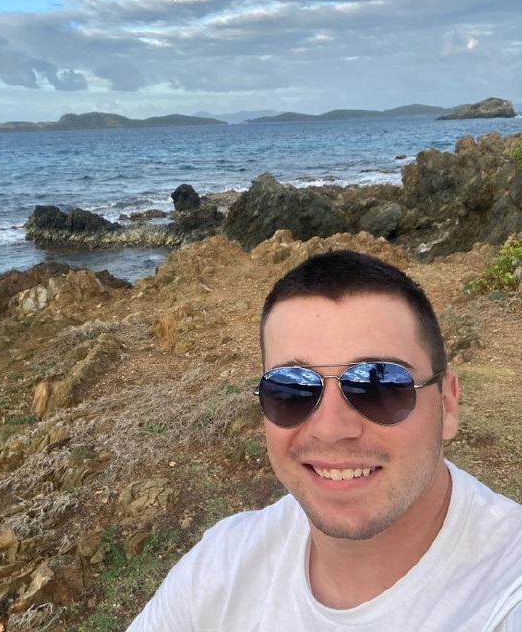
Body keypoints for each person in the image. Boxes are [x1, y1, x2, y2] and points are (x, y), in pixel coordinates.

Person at [126, 249, 522, 631]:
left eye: (380, 384)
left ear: (448, 404)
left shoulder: (505, 595)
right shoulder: (222, 566)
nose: (331, 428)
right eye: (292, 388)